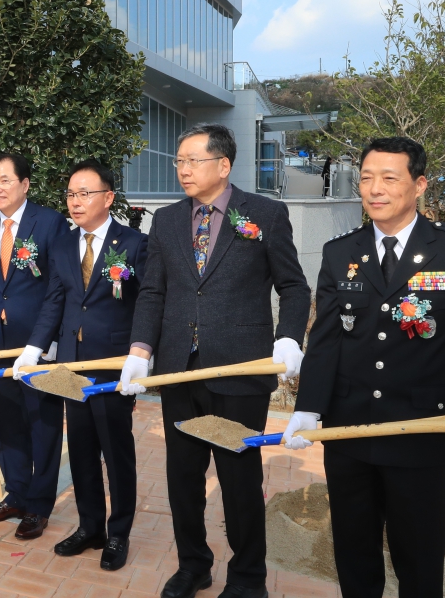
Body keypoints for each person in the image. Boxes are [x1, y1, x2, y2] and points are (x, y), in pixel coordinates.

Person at [282, 137, 445, 598]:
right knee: (354, 554)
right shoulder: (340, 252)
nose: (375, 189)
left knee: (419, 560)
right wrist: (309, 407)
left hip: (422, 431)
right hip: (349, 430)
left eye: (389, 178)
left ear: (419, 185)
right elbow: (327, 337)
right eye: (366, 178)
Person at [129, 123, 310, 598]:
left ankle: (248, 578)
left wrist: (289, 338)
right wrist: (140, 349)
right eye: (179, 161)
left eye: (193, 160)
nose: (183, 170)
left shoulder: (265, 214)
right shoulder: (167, 220)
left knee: (238, 479)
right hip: (179, 369)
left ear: (223, 165)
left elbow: (294, 286)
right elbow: (153, 291)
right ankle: (194, 566)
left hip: (239, 370)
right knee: (183, 477)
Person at [26, 159, 148, 572]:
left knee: (116, 451)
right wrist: (34, 348)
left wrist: (142, 356)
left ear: (108, 197)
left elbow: (148, 303)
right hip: (72, 364)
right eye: (70, 194)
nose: (75, 202)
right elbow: (55, 301)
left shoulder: (134, 243)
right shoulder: (63, 244)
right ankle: (90, 526)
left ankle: (119, 533)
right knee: (80, 449)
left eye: (84, 194)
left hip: (113, 364)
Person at [0, 153, 71, 539]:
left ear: (25, 184)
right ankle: (16, 495)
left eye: (5, 180)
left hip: (37, 344)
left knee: (42, 424)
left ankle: (39, 505)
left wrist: (45, 342)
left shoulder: (51, 222)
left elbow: (59, 287)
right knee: (8, 421)